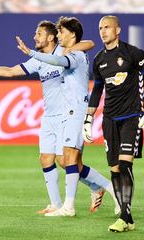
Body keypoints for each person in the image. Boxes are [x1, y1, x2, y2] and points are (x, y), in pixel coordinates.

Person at [0, 20, 119, 216]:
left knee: (68, 162)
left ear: (51, 37)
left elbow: (89, 43)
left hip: (68, 113)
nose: (35, 37)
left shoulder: (66, 52)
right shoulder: (39, 59)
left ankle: (99, 189)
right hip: (49, 116)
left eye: (39, 34)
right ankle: (56, 204)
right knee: (46, 158)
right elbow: (11, 71)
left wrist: (68, 47)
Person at [17, 16, 120, 217]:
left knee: (70, 159)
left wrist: (31, 53)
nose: (59, 34)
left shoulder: (76, 55)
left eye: (62, 31)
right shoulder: (71, 50)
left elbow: (62, 58)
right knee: (67, 161)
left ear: (71, 34)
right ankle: (102, 188)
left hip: (76, 110)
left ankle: (69, 206)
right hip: (68, 112)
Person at [82, 15, 144, 232]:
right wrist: (88, 119)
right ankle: (128, 219)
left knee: (125, 164)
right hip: (109, 119)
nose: (103, 31)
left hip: (131, 117)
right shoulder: (98, 59)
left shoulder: (133, 53)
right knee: (115, 169)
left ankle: (125, 217)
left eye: (107, 27)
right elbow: (97, 90)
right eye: (100, 28)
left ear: (118, 30)